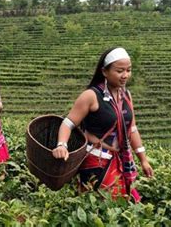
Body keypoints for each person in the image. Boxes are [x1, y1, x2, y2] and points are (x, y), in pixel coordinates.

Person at [52, 47, 153, 202]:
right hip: (96, 161)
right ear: (104, 72)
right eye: (120, 71)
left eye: (128, 70)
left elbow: (132, 129)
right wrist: (61, 145)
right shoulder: (91, 96)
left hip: (120, 160)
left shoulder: (126, 95)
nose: (125, 75)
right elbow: (68, 123)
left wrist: (143, 160)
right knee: (99, 206)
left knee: (123, 206)